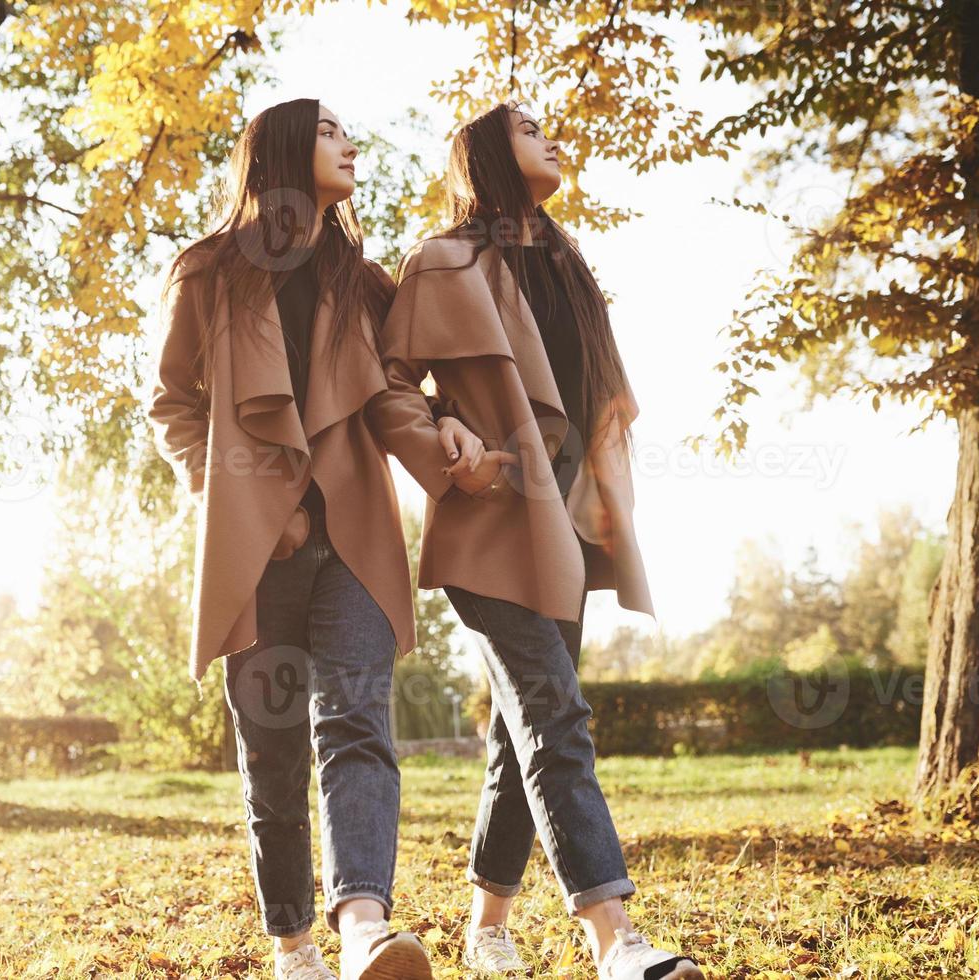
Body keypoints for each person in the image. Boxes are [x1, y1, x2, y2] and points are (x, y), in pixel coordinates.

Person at [364, 101, 705, 980]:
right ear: (487, 155)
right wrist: (445, 434)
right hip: (488, 523)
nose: (553, 140)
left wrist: (603, 504)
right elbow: (391, 386)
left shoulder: (569, 269)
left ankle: (486, 928)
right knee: (555, 714)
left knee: (525, 733)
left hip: (564, 526)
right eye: (530, 131)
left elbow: (599, 400)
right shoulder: (442, 261)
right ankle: (617, 941)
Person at [147, 97, 461, 980]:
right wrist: (237, 501)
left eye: (347, 132)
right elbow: (173, 404)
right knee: (273, 750)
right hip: (253, 550)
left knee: (358, 724)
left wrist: (455, 429)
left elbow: (405, 384)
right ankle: (293, 947)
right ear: (281, 150)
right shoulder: (206, 271)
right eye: (328, 132)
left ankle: (363, 923)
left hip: (355, 537)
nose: (349, 143)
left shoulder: (364, 282)